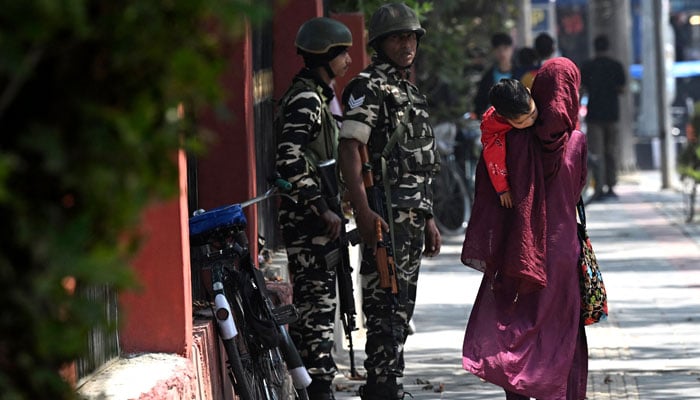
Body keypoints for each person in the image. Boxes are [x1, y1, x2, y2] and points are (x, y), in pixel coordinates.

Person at [461, 58, 589, 399]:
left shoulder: (509, 140)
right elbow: (577, 189)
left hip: (517, 252)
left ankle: (517, 393)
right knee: (560, 329)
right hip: (561, 252)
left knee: (515, 327)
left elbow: (487, 191)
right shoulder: (575, 142)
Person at [337, 3, 441, 399]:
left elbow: (417, 160)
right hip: (384, 215)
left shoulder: (408, 90)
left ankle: (390, 381)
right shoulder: (370, 87)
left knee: (402, 307)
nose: (407, 43)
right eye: (399, 37)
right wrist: (363, 211)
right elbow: (350, 147)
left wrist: (428, 217)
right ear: (380, 43)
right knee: (385, 305)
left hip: (412, 216)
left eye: (412, 36)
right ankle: (382, 386)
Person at [274, 17, 352, 400]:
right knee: (317, 314)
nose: (349, 59)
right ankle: (319, 391)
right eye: (343, 53)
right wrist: (322, 207)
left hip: (316, 223)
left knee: (314, 314)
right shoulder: (307, 98)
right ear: (325, 55)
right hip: (309, 225)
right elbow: (288, 158)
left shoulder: (318, 96)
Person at [480, 78, 539, 209]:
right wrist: (503, 188)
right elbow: (494, 159)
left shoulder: (536, 97)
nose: (530, 122)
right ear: (503, 117)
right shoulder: (493, 128)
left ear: (529, 93)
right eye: (521, 122)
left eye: (532, 114)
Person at [580, 34, 626, 198]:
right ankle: (610, 186)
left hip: (594, 115)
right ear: (608, 47)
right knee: (610, 151)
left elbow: (582, 89)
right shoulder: (616, 66)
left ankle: (598, 187)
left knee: (596, 153)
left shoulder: (588, 66)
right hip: (612, 115)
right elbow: (622, 89)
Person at [474, 32, 515, 118]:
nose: (502, 53)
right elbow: (480, 103)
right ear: (493, 51)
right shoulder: (487, 77)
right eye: (498, 49)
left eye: (505, 48)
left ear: (511, 49)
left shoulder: (520, 74)